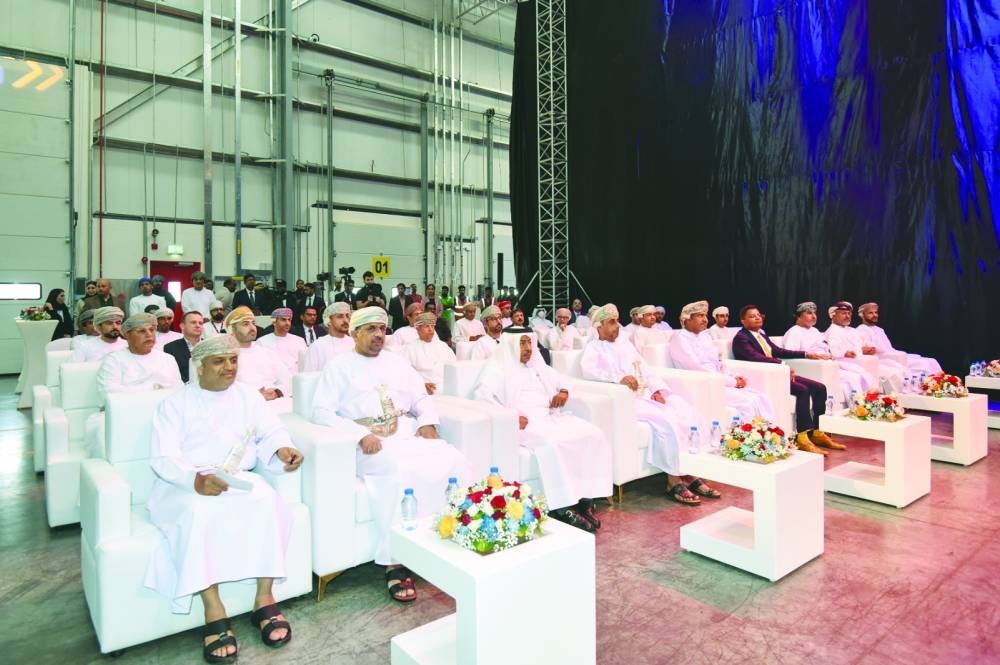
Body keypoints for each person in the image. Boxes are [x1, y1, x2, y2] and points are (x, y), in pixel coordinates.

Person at [146, 334, 303, 661]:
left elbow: (271, 430)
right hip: (187, 484)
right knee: (200, 513)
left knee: (267, 501)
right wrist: (196, 481)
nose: (229, 367)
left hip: (237, 478)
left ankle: (264, 599)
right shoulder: (175, 404)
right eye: (219, 361)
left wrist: (282, 448)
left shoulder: (248, 396)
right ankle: (214, 610)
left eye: (233, 360)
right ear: (199, 367)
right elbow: (163, 458)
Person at [309, 307, 470, 603]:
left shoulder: (397, 362)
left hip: (405, 432)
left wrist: (427, 422)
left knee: (453, 459)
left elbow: (421, 397)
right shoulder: (338, 366)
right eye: (370, 329)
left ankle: (454, 535)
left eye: (382, 329)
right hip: (367, 443)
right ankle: (396, 561)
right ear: (354, 333)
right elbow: (321, 411)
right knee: (398, 471)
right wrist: (359, 435)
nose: (378, 335)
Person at [580, 304, 719, 506]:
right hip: (627, 400)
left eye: (618, 321)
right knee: (667, 421)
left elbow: (647, 370)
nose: (617, 326)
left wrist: (657, 390)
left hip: (646, 394)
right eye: (611, 322)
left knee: (687, 412)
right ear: (598, 327)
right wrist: (618, 378)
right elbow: (590, 373)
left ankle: (691, 473)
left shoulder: (625, 344)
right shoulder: (593, 348)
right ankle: (673, 481)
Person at [474, 328, 612, 531]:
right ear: (511, 345)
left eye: (530, 343)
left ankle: (585, 500)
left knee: (592, 434)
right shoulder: (497, 369)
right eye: (522, 343)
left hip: (550, 417)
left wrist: (564, 392)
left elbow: (564, 381)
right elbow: (482, 399)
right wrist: (510, 418)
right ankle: (561, 506)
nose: (528, 348)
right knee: (552, 443)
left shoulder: (537, 366)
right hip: (524, 424)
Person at [732, 305, 839, 455]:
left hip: (778, 373)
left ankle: (817, 432)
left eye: (758, 315)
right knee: (803, 390)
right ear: (743, 321)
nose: (757, 318)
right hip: (764, 377)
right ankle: (802, 437)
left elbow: (777, 351)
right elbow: (755, 358)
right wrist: (782, 365)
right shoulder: (741, 338)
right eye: (752, 316)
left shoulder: (760, 334)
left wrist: (807, 354)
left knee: (819, 388)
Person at [668, 301, 775, 422]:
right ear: (686, 320)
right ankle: (744, 438)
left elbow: (718, 363)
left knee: (761, 398)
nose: (705, 320)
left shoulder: (705, 336)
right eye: (700, 316)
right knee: (748, 403)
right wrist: (731, 381)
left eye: (705, 316)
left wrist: (733, 376)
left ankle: (766, 437)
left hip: (720, 381)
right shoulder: (680, 338)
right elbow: (695, 368)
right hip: (704, 384)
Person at [782, 301, 877, 399]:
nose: (814, 316)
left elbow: (825, 348)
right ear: (798, 316)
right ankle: (858, 407)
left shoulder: (814, 331)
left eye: (815, 313)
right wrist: (813, 356)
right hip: (813, 367)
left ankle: (869, 404)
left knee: (858, 376)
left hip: (828, 364)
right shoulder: (794, 331)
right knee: (851, 378)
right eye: (809, 313)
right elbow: (790, 355)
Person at [97, 313, 183, 405]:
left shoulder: (167, 359)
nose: (149, 335)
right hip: (127, 410)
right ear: (127, 335)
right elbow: (107, 394)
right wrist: (153, 388)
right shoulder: (113, 360)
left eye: (152, 330)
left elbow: (179, 390)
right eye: (142, 331)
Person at [825, 301, 905, 393]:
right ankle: (875, 402)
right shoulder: (832, 331)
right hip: (846, 363)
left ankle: (897, 400)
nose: (847, 316)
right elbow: (835, 351)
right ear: (833, 315)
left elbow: (861, 346)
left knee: (897, 371)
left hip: (863, 361)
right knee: (888, 374)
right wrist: (846, 353)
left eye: (849, 313)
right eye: (843, 313)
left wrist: (865, 350)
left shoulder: (852, 330)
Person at [225, 307, 292, 401]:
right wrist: (255, 396)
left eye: (253, 323)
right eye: (245, 324)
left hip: (277, 403)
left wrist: (277, 392)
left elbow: (288, 380)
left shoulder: (267, 352)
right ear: (232, 329)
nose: (252, 328)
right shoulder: (225, 357)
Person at [855, 302, 942, 374]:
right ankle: (929, 387)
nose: (875, 315)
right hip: (883, 359)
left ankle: (938, 385)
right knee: (923, 364)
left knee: (932, 361)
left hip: (893, 355)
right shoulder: (861, 329)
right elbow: (871, 349)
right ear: (862, 315)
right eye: (870, 313)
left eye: (876, 312)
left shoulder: (879, 330)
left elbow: (889, 348)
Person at [399, 312, 456, 394]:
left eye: (432, 326)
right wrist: (421, 385)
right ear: (418, 329)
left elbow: (454, 367)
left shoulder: (443, 346)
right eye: (427, 326)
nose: (431, 329)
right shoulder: (409, 349)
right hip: (423, 390)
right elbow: (404, 374)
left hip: (447, 387)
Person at [302, 302, 355, 372]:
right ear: (329, 320)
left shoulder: (354, 343)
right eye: (340, 316)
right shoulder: (318, 346)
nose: (345, 320)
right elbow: (308, 377)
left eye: (347, 316)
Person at [255, 308, 306, 376]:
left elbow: (305, 365)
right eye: (283, 320)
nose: (287, 323)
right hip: (272, 382)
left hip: (296, 380)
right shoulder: (262, 342)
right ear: (274, 322)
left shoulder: (299, 341)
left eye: (289, 320)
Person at [164, 311, 206, 382]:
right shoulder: (170, 348)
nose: (198, 325)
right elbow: (170, 375)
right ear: (182, 326)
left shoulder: (210, 345)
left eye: (200, 323)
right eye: (193, 322)